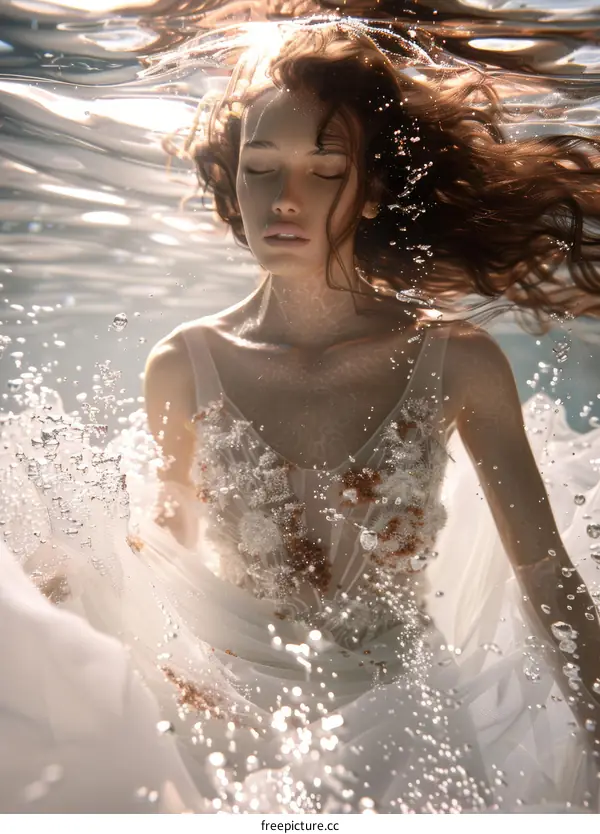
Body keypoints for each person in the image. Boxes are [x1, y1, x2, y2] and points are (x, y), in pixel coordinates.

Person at [2, 18, 600, 813]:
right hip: (232, 722)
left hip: (411, 721)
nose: (284, 198)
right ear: (233, 181)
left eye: (324, 170)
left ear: (374, 188)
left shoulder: (458, 359)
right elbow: (167, 556)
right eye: (260, 168)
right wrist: (72, 585)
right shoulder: (183, 363)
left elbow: (547, 578)